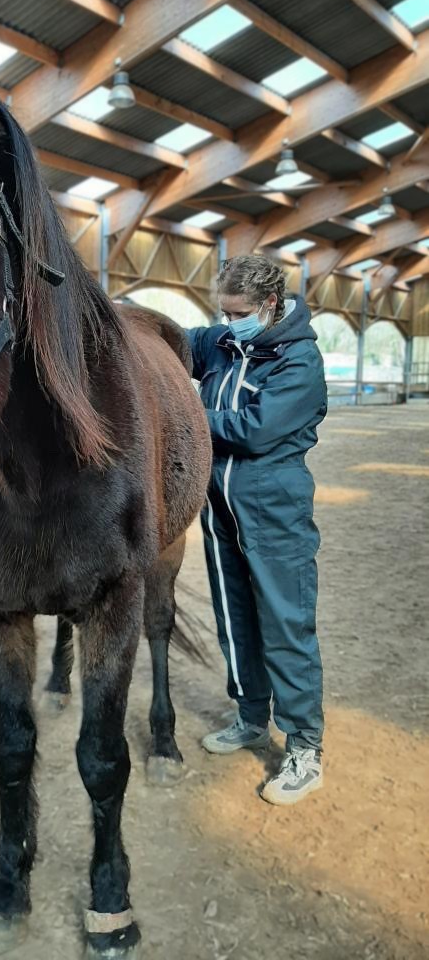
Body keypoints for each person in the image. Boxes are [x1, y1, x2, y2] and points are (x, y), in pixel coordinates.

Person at [187, 254, 327, 806]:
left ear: (269, 305)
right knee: (234, 618)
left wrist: (187, 416)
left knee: (286, 626)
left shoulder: (299, 361)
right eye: (222, 311)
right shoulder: (223, 343)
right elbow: (178, 338)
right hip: (220, 513)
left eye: (238, 312)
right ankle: (249, 715)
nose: (228, 321)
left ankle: (304, 747)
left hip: (274, 513)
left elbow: (253, 431)